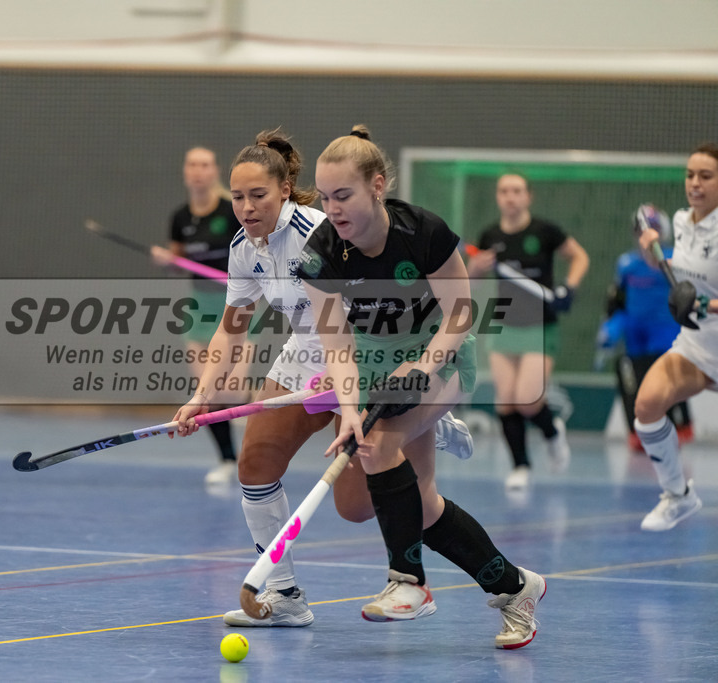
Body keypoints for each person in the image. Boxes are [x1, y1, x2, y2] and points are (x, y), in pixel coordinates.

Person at [171, 129, 473, 630]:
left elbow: (382, 309)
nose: (246, 207)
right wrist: (202, 395)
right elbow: (232, 329)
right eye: (239, 196)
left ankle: (425, 421)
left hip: (357, 355)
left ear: (285, 190)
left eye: (258, 195)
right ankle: (285, 595)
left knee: (355, 508)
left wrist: (365, 381)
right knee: (256, 464)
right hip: (301, 357)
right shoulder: (244, 249)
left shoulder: (323, 229)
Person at [297, 125, 545, 649]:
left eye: (343, 195)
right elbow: (338, 348)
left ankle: (409, 584)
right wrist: (347, 410)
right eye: (325, 197)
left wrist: (424, 368)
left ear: (377, 186)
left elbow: (461, 314)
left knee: (381, 445)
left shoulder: (423, 232)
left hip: (442, 354)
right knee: (422, 503)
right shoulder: (321, 254)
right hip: (372, 362)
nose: (332, 208)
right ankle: (516, 587)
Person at [467, 173, 589, 490]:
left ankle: (552, 433)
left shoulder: (545, 232)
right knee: (505, 402)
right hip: (504, 324)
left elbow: (579, 257)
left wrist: (569, 288)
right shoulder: (489, 235)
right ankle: (521, 467)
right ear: (498, 197)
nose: (510, 197)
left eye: (517, 191)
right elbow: (472, 281)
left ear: (528, 196)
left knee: (528, 400)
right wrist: (476, 269)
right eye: (504, 191)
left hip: (540, 325)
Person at [633, 142, 718, 532]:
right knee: (647, 406)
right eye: (690, 175)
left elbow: (698, 295)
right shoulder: (683, 221)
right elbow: (683, 276)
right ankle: (678, 495)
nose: (695, 183)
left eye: (706, 176)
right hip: (698, 346)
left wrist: (707, 305)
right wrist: (653, 253)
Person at [151, 147, 246, 486]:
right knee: (206, 390)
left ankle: (244, 422)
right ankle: (226, 459)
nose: (198, 171)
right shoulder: (180, 217)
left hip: (236, 304)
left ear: (215, 170)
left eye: (205, 164)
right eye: (192, 164)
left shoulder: (231, 210)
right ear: (185, 171)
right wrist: (166, 259)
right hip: (199, 308)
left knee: (232, 390)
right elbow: (177, 258)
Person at [596, 209, 691, 451]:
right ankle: (639, 433)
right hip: (636, 332)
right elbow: (617, 299)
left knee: (665, 382)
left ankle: (678, 426)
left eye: (652, 228)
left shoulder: (675, 260)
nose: (645, 234)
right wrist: (610, 327)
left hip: (667, 330)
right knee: (634, 379)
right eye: (640, 230)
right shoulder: (627, 264)